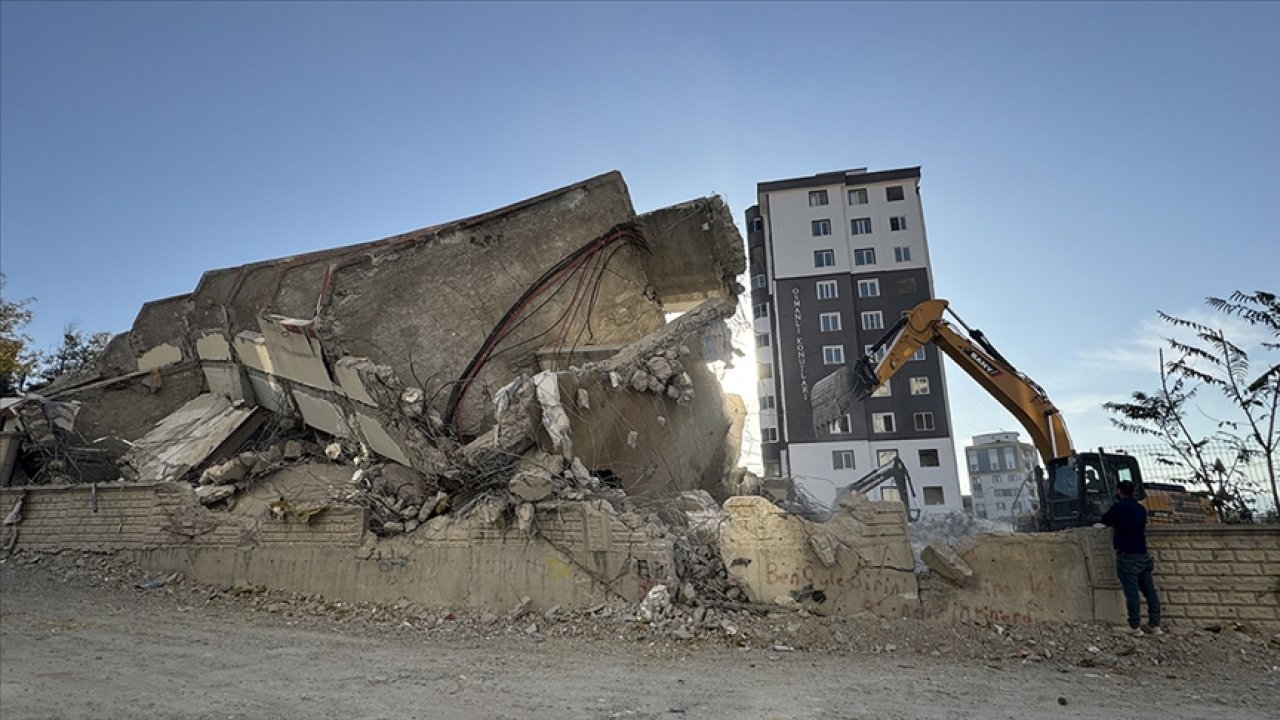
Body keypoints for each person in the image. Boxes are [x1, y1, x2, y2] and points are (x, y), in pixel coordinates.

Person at [1097, 480, 1163, 636]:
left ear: (1119, 491)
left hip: (1127, 555)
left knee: (1131, 592)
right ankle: (1154, 625)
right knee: (1149, 591)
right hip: (1143, 555)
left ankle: (1134, 627)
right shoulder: (1141, 509)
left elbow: (1104, 521)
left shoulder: (1119, 507)